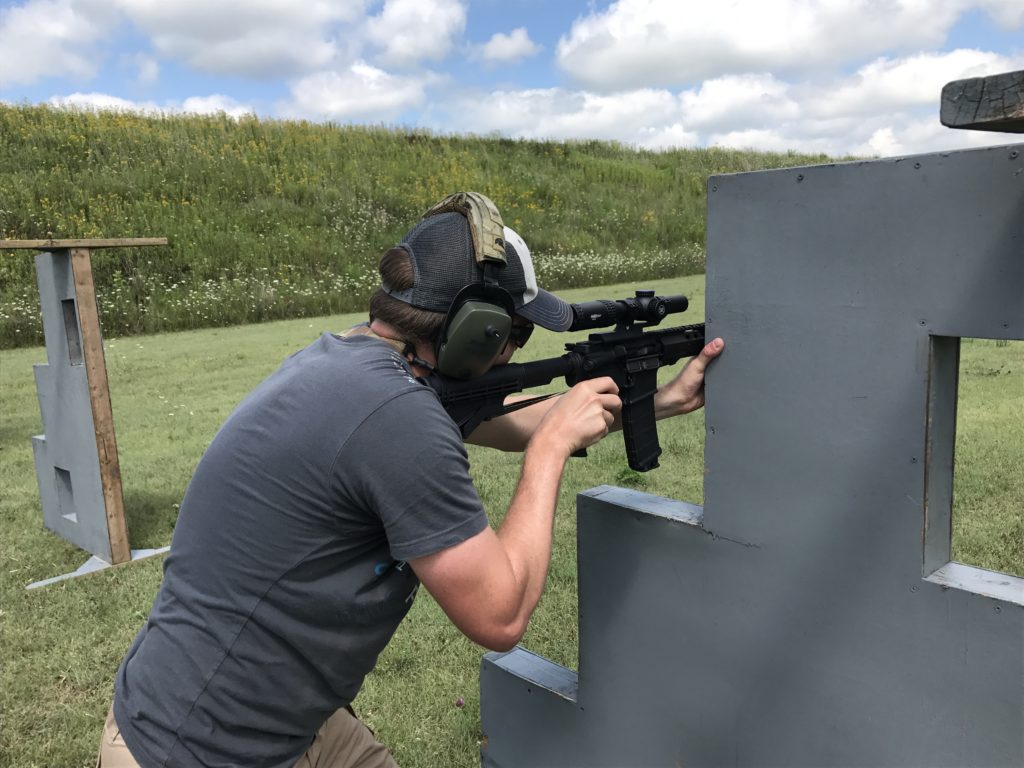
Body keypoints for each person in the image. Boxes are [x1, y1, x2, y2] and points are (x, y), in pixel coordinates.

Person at [99, 192, 724, 767]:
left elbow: (500, 417)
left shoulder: (352, 365)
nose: (515, 349)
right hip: (197, 748)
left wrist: (657, 402)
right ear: (477, 330)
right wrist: (552, 449)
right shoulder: (399, 417)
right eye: (517, 332)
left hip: (267, 718)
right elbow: (500, 616)